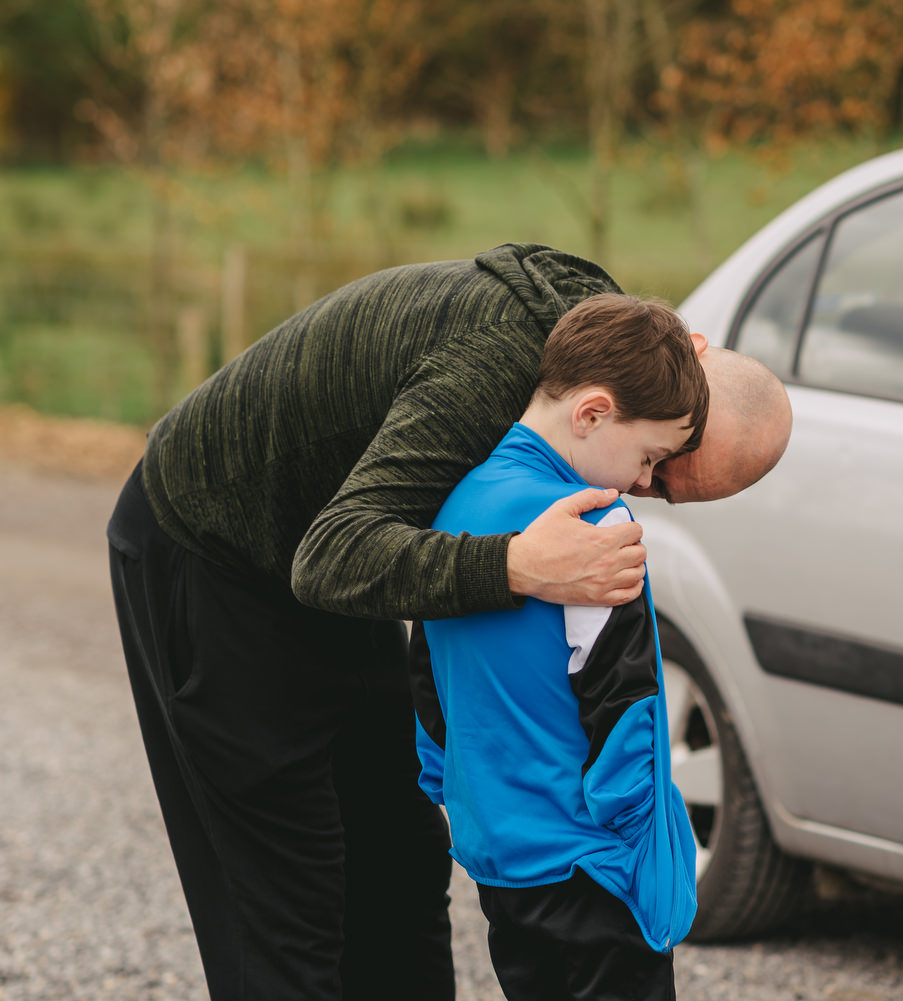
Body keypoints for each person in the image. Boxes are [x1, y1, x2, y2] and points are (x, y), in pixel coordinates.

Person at [105, 243, 792, 1001]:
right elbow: (330, 556)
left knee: (399, 864)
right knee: (289, 898)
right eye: (659, 461)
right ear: (680, 361)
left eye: (669, 489)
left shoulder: (613, 366)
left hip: (350, 540)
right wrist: (518, 566)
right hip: (213, 546)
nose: (642, 483)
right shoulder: (490, 371)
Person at [416, 293, 710, 1001]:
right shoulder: (594, 526)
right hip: (591, 859)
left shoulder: (454, 501)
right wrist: (642, 854)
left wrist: (442, 780)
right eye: (649, 454)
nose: (645, 479)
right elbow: (625, 699)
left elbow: (429, 677)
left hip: (500, 856)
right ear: (592, 413)